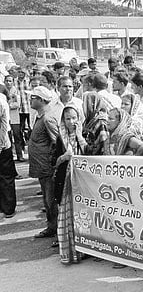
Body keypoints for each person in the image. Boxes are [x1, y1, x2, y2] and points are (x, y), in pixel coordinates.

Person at [54, 106, 88, 258]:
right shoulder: (60, 138)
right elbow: (53, 161)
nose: (71, 121)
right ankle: (70, 250)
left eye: (74, 118)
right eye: (68, 118)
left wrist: (80, 136)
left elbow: (91, 153)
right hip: (65, 182)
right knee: (68, 215)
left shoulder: (87, 133)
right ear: (63, 120)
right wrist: (64, 157)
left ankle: (85, 250)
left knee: (83, 215)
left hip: (83, 181)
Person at [29, 86, 59, 239]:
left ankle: (56, 230)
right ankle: (51, 227)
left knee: (51, 200)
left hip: (47, 168)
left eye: (33, 97)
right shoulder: (40, 116)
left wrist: (53, 166)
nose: (30, 100)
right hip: (41, 167)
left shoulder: (47, 118)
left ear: (41, 100)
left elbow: (57, 143)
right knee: (47, 201)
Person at [0, 91, 17, 219]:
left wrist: (1, 144)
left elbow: (4, 124)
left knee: (6, 176)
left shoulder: (1, 100)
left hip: (3, 145)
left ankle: (8, 208)